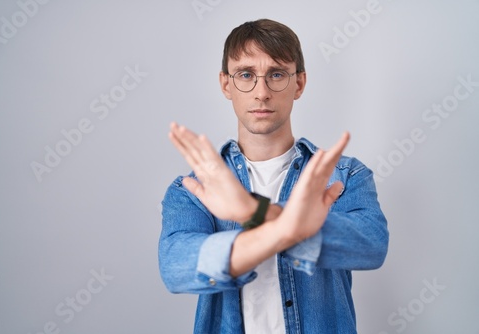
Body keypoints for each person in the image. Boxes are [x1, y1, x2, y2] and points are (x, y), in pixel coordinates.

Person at [159, 18, 389, 334]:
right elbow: (177, 268)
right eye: (246, 75)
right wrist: (288, 224)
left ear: (299, 83)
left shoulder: (345, 175)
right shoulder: (195, 189)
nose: (262, 92)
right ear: (226, 84)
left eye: (277, 74)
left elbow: (371, 247)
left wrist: (253, 213)